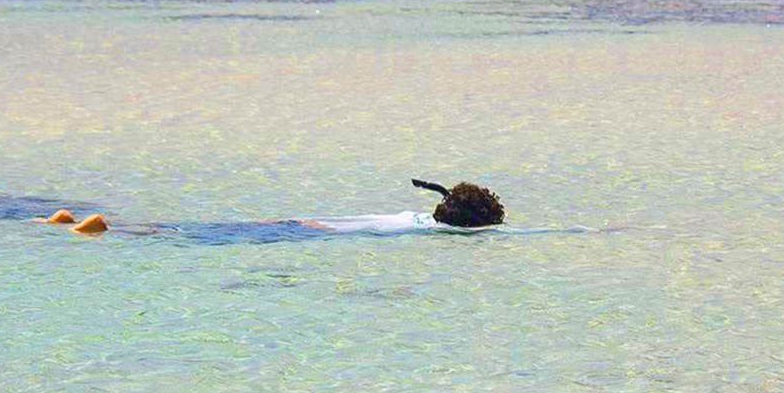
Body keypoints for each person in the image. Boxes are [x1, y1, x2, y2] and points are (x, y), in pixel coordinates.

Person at [37, 179, 504, 234]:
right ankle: (101, 229)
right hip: (305, 233)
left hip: (297, 222)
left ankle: (74, 223)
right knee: (190, 240)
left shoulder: (413, 217)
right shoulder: (419, 233)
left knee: (194, 231)